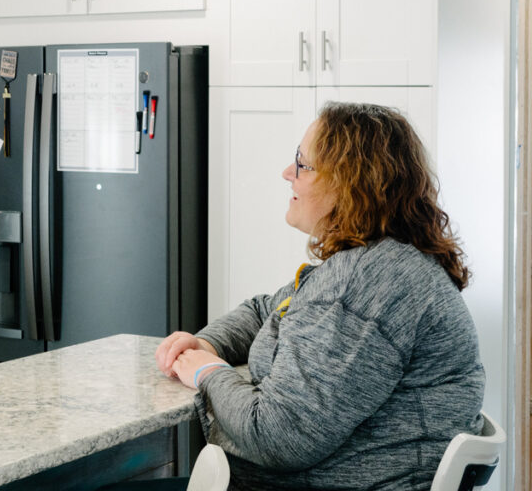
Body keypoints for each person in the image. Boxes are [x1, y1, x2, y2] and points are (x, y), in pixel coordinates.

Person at [156, 102, 485, 489]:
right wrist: (210, 342)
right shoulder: (381, 261)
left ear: (352, 181)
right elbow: (268, 309)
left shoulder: (363, 286)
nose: (287, 174)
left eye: (302, 164)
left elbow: (279, 437)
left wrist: (207, 373)